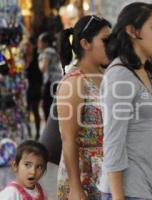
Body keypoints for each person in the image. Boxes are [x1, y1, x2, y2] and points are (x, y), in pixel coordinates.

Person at [99, 2, 152, 200]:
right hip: (128, 191)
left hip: (148, 187)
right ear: (132, 31)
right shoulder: (120, 75)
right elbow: (113, 142)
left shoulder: (146, 72)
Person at [56, 15, 111, 200]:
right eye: (105, 40)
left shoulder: (107, 74)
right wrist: (75, 188)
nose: (112, 45)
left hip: (110, 170)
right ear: (85, 44)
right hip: (86, 174)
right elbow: (68, 139)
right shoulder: (75, 82)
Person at [37, 32, 63, 120]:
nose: (38, 44)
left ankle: (50, 127)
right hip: (55, 80)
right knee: (52, 104)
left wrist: (40, 60)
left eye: (40, 42)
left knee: (48, 105)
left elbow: (43, 67)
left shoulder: (47, 51)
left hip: (52, 81)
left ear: (45, 43)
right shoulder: (52, 50)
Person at [23, 36, 43, 140]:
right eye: (25, 45)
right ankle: (29, 132)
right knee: (26, 111)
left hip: (35, 87)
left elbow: (40, 73)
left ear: (32, 46)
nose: (26, 47)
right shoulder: (22, 57)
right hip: (24, 89)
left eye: (28, 45)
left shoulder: (37, 56)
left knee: (35, 111)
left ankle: (38, 132)